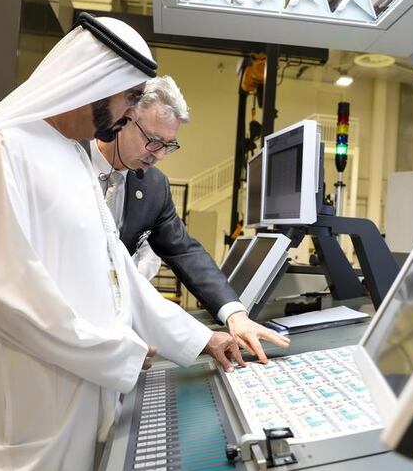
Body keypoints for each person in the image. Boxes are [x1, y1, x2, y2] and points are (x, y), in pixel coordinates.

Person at [0, 14, 243, 471]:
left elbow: (120, 276)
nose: (131, 112)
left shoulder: (72, 156)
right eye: (131, 98)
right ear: (97, 83)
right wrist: (115, 350)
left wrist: (204, 337)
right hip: (22, 406)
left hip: (77, 392)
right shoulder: (8, 148)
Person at [92, 76, 290, 363]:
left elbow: (183, 249)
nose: (158, 155)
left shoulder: (153, 185)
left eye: (168, 145)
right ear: (124, 119)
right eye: (152, 140)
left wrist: (234, 313)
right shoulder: (71, 164)